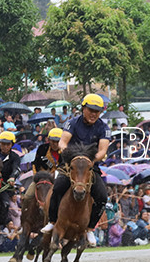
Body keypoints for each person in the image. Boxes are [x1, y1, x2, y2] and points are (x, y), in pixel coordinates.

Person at [39, 94, 111, 247]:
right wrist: (71, 156)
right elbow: (63, 143)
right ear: (83, 109)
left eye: (97, 111)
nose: (93, 114)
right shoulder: (72, 123)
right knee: (58, 187)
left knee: (103, 196)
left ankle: (90, 228)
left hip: (90, 167)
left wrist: (91, 160)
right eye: (90, 110)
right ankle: (52, 221)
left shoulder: (104, 128)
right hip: (70, 165)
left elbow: (102, 151)